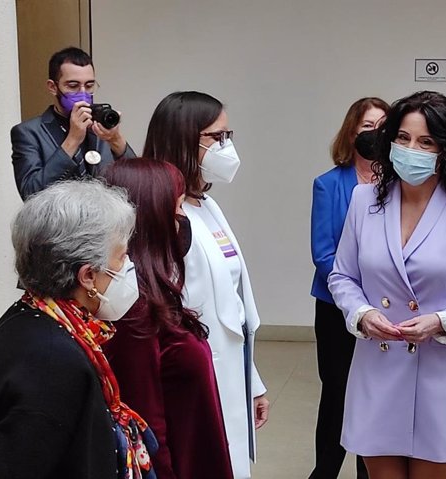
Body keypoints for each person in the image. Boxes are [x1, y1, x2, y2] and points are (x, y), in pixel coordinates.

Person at [328, 90, 446, 479]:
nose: (411, 149)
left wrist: (442, 321)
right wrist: (362, 312)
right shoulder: (364, 200)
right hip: (378, 365)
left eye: (426, 142)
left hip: (440, 371)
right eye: (402, 138)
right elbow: (342, 275)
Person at [0, 180, 157, 479]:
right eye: (122, 257)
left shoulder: (31, 316)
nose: (129, 266)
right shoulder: (53, 362)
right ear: (89, 276)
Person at [143, 91, 268, 479]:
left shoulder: (205, 205)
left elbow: (233, 303)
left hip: (229, 363)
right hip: (196, 369)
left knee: (230, 459)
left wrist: (254, 381)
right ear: (183, 139)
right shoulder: (164, 214)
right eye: (217, 138)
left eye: (228, 135)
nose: (227, 148)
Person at [103, 158, 233, 479]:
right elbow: (148, 429)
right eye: (177, 208)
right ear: (152, 217)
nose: (183, 219)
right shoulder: (134, 311)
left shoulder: (157, 293)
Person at [310, 96, 389, 479]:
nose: (375, 135)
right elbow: (323, 254)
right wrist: (356, 297)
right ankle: (324, 469)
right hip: (336, 307)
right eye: (367, 127)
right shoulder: (328, 184)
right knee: (338, 392)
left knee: (373, 395)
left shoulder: (400, 183)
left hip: (385, 311)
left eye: (382, 127)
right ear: (352, 132)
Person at [11, 47, 135, 200]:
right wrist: (72, 140)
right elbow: (30, 193)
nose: (82, 93)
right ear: (53, 87)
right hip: (60, 221)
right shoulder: (28, 133)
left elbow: (139, 181)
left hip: (106, 220)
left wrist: (116, 140)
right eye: (73, 86)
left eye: (89, 86)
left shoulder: (100, 125)